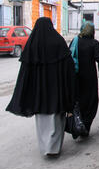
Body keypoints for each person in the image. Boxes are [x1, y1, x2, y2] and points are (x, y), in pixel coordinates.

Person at [6, 17, 76, 158]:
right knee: (56, 118)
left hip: (39, 92)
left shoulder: (33, 44)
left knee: (42, 121)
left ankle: (46, 147)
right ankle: (54, 147)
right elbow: (69, 67)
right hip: (57, 90)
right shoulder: (58, 42)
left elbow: (25, 72)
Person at [68, 22, 99, 138]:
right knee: (91, 102)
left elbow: (68, 56)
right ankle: (85, 127)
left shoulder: (75, 41)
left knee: (78, 101)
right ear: (93, 31)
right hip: (90, 78)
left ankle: (77, 124)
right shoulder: (94, 43)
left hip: (76, 77)